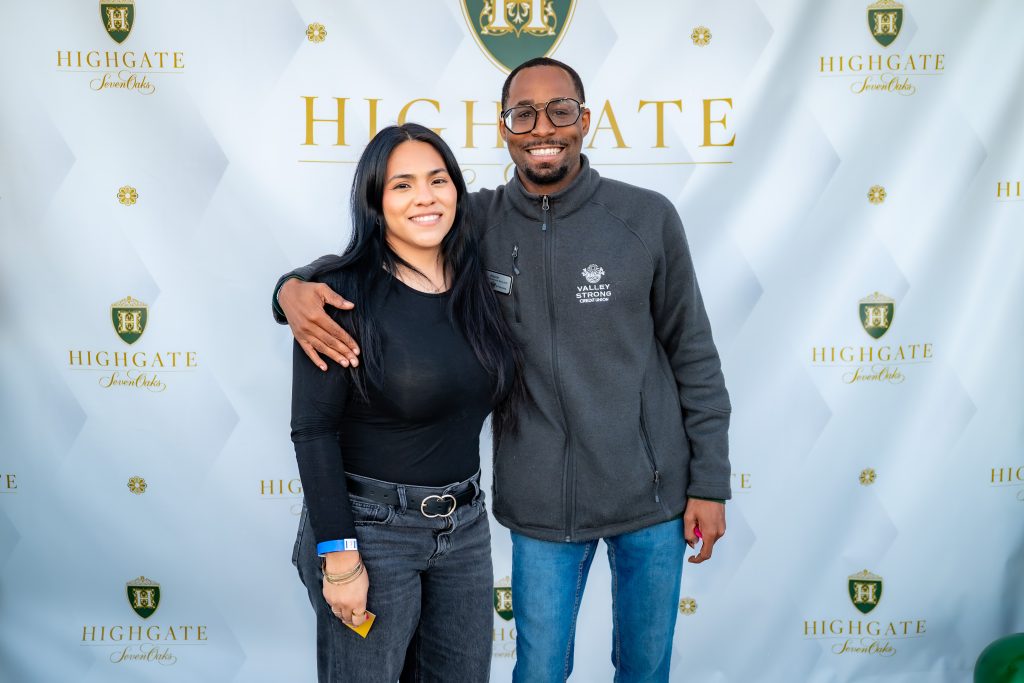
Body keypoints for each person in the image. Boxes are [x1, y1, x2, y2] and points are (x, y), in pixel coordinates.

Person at [277, 58, 731, 683]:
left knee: (646, 669)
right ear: (503, 128)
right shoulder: (475, 221)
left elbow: (694, 354)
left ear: (585, 120)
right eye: (524, 114)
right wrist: (290, 289)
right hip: (539, 505)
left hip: (653, 496)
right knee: (538, 671)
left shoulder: (647, 218)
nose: (543, 127)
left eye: (560, 111)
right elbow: (379, 244)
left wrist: (710, 481)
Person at [288, 122, 521, 683]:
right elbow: (313, 431)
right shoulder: (339, 295)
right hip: (372, 532)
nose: (425, 197)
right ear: (375, 202)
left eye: (438, 180)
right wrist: (341, 557)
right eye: (402, 185)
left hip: (465, 528)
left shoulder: (478, 284)